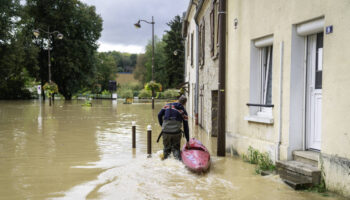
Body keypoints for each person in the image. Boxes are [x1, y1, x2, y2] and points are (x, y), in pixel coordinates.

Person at [158, 95, 189, 160]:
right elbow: (186, 126)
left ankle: (165, 163)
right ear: (185, 103)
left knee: (166, 149)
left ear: (178, 100)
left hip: (166, 132)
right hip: (176, 133)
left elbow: (159, 115)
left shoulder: (167, 105)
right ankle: (178, 162)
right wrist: (187, 140)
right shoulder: (183, 110)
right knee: (176, 149)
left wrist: (162, 125)